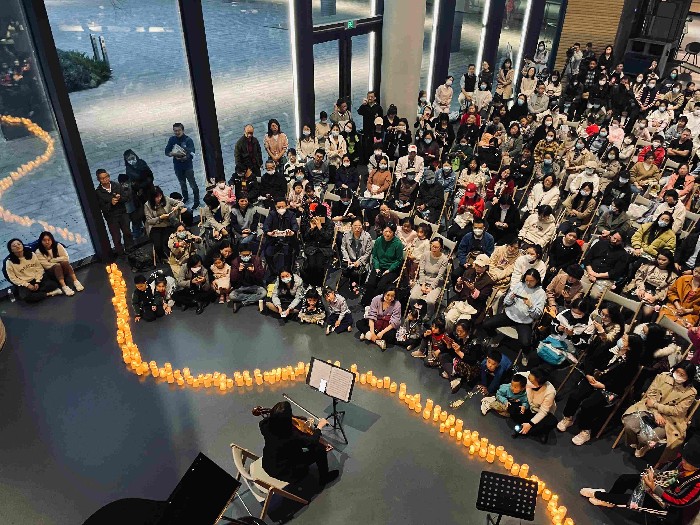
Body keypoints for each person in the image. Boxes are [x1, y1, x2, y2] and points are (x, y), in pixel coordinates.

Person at [580, 438, 700, 524]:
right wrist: (653, 475)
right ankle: (608, 500)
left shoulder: (697, 482)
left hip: (667, 505)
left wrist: (654, 487)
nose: (683, 462)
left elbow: (679, 501)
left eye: (688, 462)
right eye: (684, 458)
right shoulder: (683, 461)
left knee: (628, 500)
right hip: (658, 485)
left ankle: (598, 495)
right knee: (625, 479)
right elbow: (666, 470)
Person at [622, 361, 697, 460]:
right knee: (629, 425)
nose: (678, 375)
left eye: (682, 375)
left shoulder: (690, 392)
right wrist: (656, 413)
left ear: (689, 377)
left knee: (645, 437)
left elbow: (677, 411)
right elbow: (651, 395)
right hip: (649, 409)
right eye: (677, 372)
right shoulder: (663, 377)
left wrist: (655, 405)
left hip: (670, 419)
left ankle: (643, 445)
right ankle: (637, 443)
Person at [259, 401, 338, 486]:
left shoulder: (264, 424)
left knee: (299, 448)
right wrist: (319, 427)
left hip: (269, 463)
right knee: (320, 449)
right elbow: (312, 442)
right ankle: (324, 478)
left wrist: (282, 415)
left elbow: (276, 419)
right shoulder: (291, 436)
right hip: (284, 471)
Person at [483, 268, 547, 351]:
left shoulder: (541, 293)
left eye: (531, 281)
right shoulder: (520, 285)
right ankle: (494, 336)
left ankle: (524, 353)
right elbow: (506, 302)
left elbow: (537, 315)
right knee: (486, 324)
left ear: (537, 280)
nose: (528, 283)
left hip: (524, 321)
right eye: (526, 280)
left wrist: (530, 306)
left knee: (525, 343)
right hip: (510, 315)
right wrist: (510, 298)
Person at [625, 248, 677, 321]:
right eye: (659, 259)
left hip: (656, 294)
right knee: (629, 307)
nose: (660, 262)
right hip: (642, 289)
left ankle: (639, 326)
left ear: (669, 261)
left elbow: (667, 290)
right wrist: (641, 289)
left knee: (647, 313)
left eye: (664, 260)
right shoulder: (649, 266)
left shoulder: (672, 275)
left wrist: (655, 297)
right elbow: (639, 278)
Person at [510, 367, 557, 443]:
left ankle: (540, 431)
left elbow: (543, 412)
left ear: (539, 384)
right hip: (528, 407)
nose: (528, 381)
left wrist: (530, 424)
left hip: (540, 413)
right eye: (528, 378)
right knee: (512, 408)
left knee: (551, 421)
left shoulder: (550, 392)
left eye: (531, 381)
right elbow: (517, 375)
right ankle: (528, 427)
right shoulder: (529, 376)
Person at [361, 224, 404, 307]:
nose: (387, 234)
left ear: (393, 233)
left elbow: (399, 260)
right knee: (370, 283)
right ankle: (366, 303)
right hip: (379, 266)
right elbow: (375, 256)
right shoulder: (378, 240)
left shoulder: (398, 244)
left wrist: (389, 270)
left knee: (381, 286)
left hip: (391, 269)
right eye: (386, 231)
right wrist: (377, 267)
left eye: (390, 232)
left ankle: (374, 304)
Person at [95, 169, 133, 255]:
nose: (105, 179)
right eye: (102, 178)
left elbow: (126, 198)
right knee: (116, 237)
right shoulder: (98, 192)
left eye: (107, 177)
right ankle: (121, 254)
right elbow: (101, 207)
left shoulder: (117, 185)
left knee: (127, 232)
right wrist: (111, 204)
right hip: (111, 217)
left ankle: (130, 250)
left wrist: (120, 198)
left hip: (122, 213)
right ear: (99, 180)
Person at [581, 231, 630, 299]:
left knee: (595, 295)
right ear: (611, 236)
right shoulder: (600, 243)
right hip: (588, 272)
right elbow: (587, 259)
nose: (614, 241)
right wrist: (591, 273)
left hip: (604, 279)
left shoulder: (623, 254)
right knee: (580, 287)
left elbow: (615, 272)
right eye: (614, 238)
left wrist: (597, 275)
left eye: (618, 241)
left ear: (622, 242)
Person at [34, 231, 83, 296]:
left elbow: (66, 258)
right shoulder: (38, 251)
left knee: (65, 263)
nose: (47, 242)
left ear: (52, 240)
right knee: (57, 266)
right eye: (44, 240)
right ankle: (64, 287)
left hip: (62, 268)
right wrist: (58, 262)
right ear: (41, 241)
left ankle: (75, 281)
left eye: (49, 240)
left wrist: (52, 260)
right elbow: (46, 265)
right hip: (51, 272)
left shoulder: (58, 246)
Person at [409, 237, 449, 317]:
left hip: (436, 282)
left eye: (436, 247)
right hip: (424, 279)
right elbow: (421, 271)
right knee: (412, 297)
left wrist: (431, 287)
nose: (433, 248)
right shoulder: (425, 255)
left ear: (441, 248)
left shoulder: (444, 259)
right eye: (432, 246)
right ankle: (414, 313)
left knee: (430, 301)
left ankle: (428, 315)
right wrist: (423, 284)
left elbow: (440, 275)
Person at [165, 123, 199, 209]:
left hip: (187, 166)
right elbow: (166, 151)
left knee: (192, 184)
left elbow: (192, 154)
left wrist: (185, 157)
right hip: (178, 166)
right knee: (182, 183)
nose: (177, 132)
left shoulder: (188, 140)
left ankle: (196, 201)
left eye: (179, 130)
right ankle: (185, 197)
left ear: (183, 130)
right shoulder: (172, 139)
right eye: (175, 131)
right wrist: (171, 154)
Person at [144, 186, 183, 263]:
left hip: (168, 224)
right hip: (155, 226)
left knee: (169, 240)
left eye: (160, 196)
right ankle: (163, 257)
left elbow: (180, 203)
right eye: (157, 197)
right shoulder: (147, 205)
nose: (159, 198)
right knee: (157, 245)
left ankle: (176, 254)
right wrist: (160, 218)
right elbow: (149, 221)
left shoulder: (166, 199)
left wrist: (176, 207)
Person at [357, 286, 402, 351]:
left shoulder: (397, 304)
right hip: (375, 322)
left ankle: (367, 335)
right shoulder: (376, 299)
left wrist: (382, 333)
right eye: (388, 295)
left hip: (386, 325)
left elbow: (395, 322)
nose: (390, 298)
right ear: (384, 293)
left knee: (391, 336)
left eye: (392, 296)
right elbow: (371, 316)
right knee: (359, 323)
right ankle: (377, 341)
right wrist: (372, 333)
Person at [300, 202, 334, 288]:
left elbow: (327, 238)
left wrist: (320, 227)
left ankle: (319, 285)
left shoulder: (330, 223)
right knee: (311, 265)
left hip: (323, 248)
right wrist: (311, 228)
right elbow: (305, 238)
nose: (320, 218)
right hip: (312, 247)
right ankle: (310, 284)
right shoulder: (311, 221)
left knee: (319, 266)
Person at [262, 199, 299, 276]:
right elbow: (265, 226)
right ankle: (274, 272)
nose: (281, 208)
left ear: (286, 206)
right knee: (267, 253)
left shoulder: (291, 214)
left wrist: (292, 232)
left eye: (283, 206)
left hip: (288, 240)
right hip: (274, 240)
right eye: (279, 207)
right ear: (275, 206)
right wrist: (269, 233)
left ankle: (288, 272)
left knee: (289, 253)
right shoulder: (272, 214)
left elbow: (295, 225)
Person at [452, 217, 495, 282]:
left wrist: (479, 265)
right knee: (455, 275)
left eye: (480, 228)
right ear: (472, 227)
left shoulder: (489, 238)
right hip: (468, 262)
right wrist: (464, 262)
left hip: (482, 265)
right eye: (475, 228)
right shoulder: (467, 237)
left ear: (484, 228)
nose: (477, 230)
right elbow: (461, 251)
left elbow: (489, 254)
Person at [340, 219, 373, 296]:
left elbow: (368, 253)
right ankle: (352, 285)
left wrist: (359, 261)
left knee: (356, 273)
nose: (357, 228)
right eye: (355, 226)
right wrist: (347, 259)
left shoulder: (367, 236)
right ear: (351, 226)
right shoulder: (346, 235)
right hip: (350, 260)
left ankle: (356, 286)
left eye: (359, 226)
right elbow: (343, 248)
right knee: (346, 271)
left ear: (362, 226)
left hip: (362, 260)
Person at [229, 246, 266, 313]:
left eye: (248, 255)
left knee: (263, 293)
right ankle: (254, 299)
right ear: (240, 254)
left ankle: (242, 303)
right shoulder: (235, 262)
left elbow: (262, 276)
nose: (246, 257)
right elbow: (233, 278)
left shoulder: (257, 260)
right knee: (232, 296)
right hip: (241, 287)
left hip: (254, 286)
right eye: (244, 255)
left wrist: (254, 271)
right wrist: (238, 271)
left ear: (251, 253)